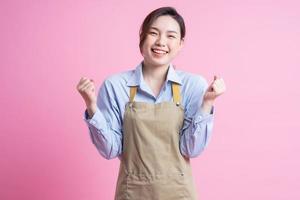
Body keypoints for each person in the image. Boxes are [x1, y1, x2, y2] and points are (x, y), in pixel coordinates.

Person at [77, 6, 226, 200]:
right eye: (153, 33)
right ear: (142, 39)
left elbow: (191, 149)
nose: (161, 42)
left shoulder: (193, 85)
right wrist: (92, 106)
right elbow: (110, 149)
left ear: (181, 44)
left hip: (179, 194)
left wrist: (207, 103)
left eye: (171, 36)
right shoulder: (116, 85)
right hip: (132, 193)